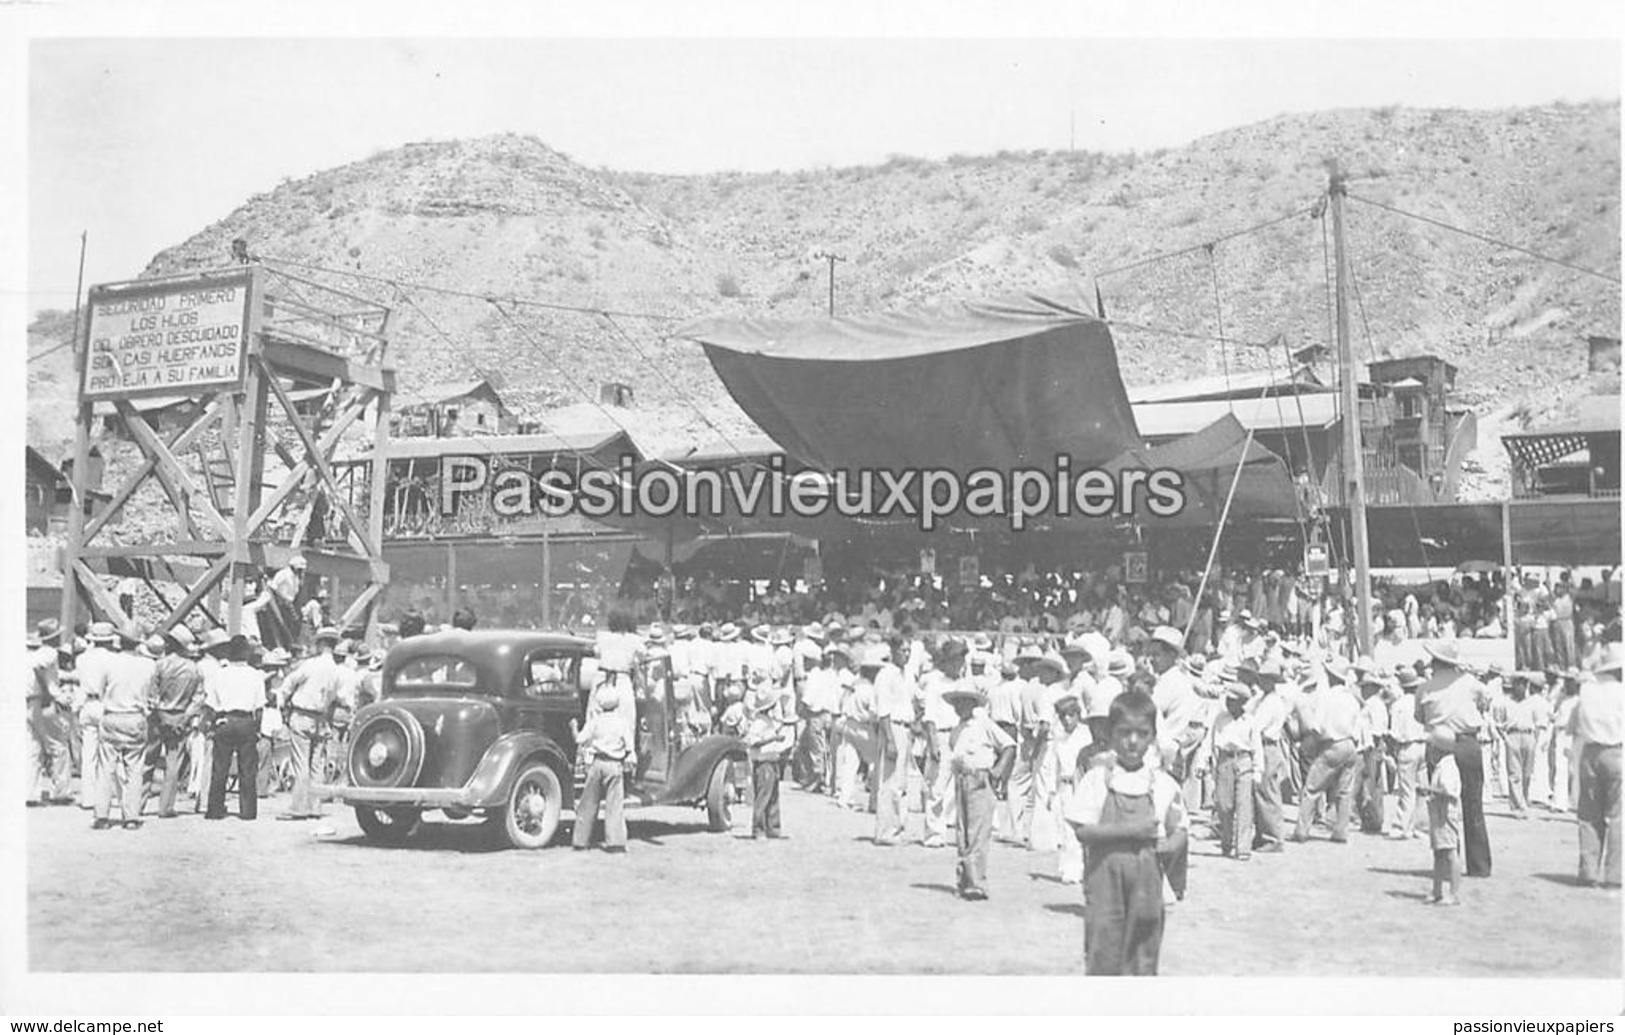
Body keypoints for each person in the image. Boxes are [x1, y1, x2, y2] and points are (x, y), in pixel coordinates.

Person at [1066, 691, 1190, 976]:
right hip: (1104, 880)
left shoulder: (1161, 783)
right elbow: (1083, 832)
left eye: (1141, 733)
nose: (1132, 741)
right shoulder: (1098, 778)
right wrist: (1131, 831)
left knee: (1144, 953)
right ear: (1111, 733)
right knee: (1103, 950)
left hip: (1146, 883)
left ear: (1152, 737)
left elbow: (1180, 827)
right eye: (1124, 732)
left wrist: (1168, 846)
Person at [1416, 642, 1493, 877]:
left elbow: (1419, 717)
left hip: (1439, 744)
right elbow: (1486, 701)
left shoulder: (1425, 689)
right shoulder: (1470, 683)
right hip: (1467, 742)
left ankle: (1449, 863)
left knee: (1442, 807)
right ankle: (1479, 865)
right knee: (1473, 805)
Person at [944, 683, 1017, 900]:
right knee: (963, 832)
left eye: (964, 702)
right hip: (962, 779)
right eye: (956, 702)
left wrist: (997, 771)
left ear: (973, 704)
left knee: (978, 832)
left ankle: (977, 883)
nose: (959, 706)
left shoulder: (984, 724)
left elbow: (1009, 745)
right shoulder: (956, 730)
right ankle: (964, 880)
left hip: (980, 778)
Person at [89, 628, 157, 829]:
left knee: (105, 768)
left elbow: (99, 690)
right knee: (135, 769)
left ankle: (101, 815)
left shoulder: (109, 662)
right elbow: (152, 693)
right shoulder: (149, 665)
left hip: (112, 715)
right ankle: (131, 817)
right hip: (136, 717)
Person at [1292, 659, 1361, 844]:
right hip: (1350, 744)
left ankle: (1301, 830)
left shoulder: (1326, 697)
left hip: (1332, 744)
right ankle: (1341, 831)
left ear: (1331, 677)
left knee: (1311, 788)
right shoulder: (1352, 699)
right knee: (1344, 791)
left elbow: (1317, 726)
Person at [279, 625, 343, 821]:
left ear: (321, 643)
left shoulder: (311, 665)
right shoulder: (337, 671)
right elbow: (339, 698)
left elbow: (289, 683)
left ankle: (299, 806)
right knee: (317, 764)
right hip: (321, 718)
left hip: (302, 715)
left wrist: (282, 704)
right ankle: (315, 806)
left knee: (301, 763)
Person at [1571, 643, 1622, 888]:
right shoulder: (1621, 693)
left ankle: (1588, 871)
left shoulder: (1587, 692)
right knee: (1616, 816)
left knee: (1589, 814)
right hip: (1615, 751)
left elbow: (1575, 725)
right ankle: (1614, 875)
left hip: (1590, 752)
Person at [204, 635, 266, 821]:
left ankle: (215, 809)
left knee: (220, 767)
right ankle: (248, 811)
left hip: (225, 719)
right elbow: (260, 706)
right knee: (247, 768)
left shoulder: (219, 674)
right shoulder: (256, 675)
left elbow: (211, 703)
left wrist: (212, 723)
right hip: (246, 720)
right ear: (246, 653)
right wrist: (257, 728)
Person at [570, 689, 635, 852]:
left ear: (599, 703)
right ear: (617, 704)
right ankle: (615, 843)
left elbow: (580, 739)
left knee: (588, 803)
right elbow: (629, 747)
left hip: (596, 763)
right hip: (614, 765)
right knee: (614, 805)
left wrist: (574, 727)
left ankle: (580, 841)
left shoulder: (595, 721)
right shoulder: (621, 723)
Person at [918, 639, 968, 849]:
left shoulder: (964, 683)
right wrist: (933, 744)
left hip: (962, 735)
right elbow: (929, 717)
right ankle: (933, 834)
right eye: (955, 659)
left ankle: (960, 833)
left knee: (962, 787)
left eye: (961, 659)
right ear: (946, 661)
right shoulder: (935, 683)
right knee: (937, 787)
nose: (959, 664)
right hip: (942, 734)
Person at [149, 626, 203, 819]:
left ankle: (136, 804)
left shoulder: (160, 665)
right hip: (180, 715)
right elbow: (198, 698)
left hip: (158, 716)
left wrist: (158, 712)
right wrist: (185, 717)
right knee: (173, 763)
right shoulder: (194, 669)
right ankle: (166, 807)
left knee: (148, 760)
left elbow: (151, 694)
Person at [871, 635, 917, 847]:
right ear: (893, 651)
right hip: (893, 728)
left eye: (909, 651)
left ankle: (897, 828)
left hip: (905, 728)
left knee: (901, 782)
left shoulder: (905, 674)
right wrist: (890, 739)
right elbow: (883, 710)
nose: (906, 655)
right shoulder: (886, 674)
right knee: (890, 783)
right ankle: (886, 831)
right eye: (903, 650)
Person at [1211, 680, 1261, 860]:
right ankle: (1226, 841)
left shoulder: (1250, 721)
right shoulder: (1220, 719)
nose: (1228, 703)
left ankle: (1243, 849)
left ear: (1241, 702)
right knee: (1224, 805)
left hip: (1244, 760)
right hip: (1225, 761)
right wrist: (1203, 763)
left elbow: (1257, 748)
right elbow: (1210, 742)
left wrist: (1258, 771)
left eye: (1233, 700)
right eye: (1227, 700)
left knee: (1244, 806)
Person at [26, 619, 73, 806]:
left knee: (33, 748)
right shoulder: (50, 653)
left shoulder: (30, 654)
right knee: (58, 747)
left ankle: (29, 792)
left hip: (28, 701)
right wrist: (55, 694)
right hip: (43, 701)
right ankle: (61, 792)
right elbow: (44, 673)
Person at [73, 621, 119, 810]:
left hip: (87, 703)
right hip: (105, 703)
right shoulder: (114, 659)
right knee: (109, 753)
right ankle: (110, 795)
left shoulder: (82, 658)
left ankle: (88, 797)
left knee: (88, 753)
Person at [745, 674, 795, 840]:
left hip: (772, 760)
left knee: (773, 797)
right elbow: (753, 742)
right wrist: (773, 739)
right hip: (763, 762)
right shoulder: (758, 723)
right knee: (763, 798)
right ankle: (758, 829)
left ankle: (773, 828)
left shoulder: (770, 721)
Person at [1050, 694, 1092, 883]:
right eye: (1062, 716)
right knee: (1065, 829)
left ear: (1077, 715)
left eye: (1070, 715)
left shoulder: (1085, 735)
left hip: (1082, 785)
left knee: (1082, 828)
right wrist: (1052, 791)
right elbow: (1055, 765)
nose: (1066, 720)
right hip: (1064, 786)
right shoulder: (1059, 737)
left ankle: (1082, 869)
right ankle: (1070, 869)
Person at [1495, 673, 1548, 818]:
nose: (1521, 687)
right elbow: (1498, 723)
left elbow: (1539, 723)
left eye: (1524, 684)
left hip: (1528, 736)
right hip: (1512, 736)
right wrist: (1505, 738)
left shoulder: (1532, 703)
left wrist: (1535, 739)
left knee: (1527, 773)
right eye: (1518, 684)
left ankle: (1523, 800)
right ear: (1513, 685)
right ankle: (1518, 807)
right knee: (1514, 773)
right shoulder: (1505, 702)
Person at [1422, 727, 1464, 906]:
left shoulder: (1447, 766)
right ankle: (1437, 890)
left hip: (1445, 813)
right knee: (1439, 852)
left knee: (1450, 853)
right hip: (1439, 813)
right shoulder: (1444, 764)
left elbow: (1447, 791)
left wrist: (1428, 789)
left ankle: (1453, 893)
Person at [1386, 667, 1429, 840]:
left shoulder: (1398, 705)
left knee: (1406, 790)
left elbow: (1395, 732)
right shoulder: (1423, 702)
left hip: (1407, 746)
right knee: (1423, 790)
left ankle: (1401, 826)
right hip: (1424, 745)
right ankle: (1421, 827)